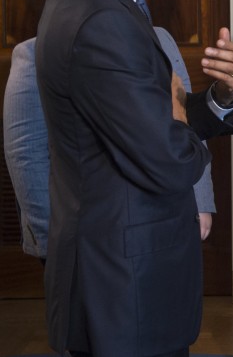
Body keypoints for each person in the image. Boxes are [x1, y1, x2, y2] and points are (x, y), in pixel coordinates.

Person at [35, 0, 233, 357]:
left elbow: (154, 121)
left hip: (127, 278)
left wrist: (220, 98)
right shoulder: (100, 15)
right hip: (122, 285)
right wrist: (178, 128)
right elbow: (168, 158)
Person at [3, 32, 216, 267]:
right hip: (86, 236)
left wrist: (201, 201)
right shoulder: (36, 52)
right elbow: (25, 152)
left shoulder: (161, 39)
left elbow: (186, 122)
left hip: (170, 222)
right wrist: (50, 238)